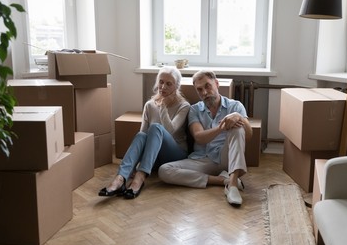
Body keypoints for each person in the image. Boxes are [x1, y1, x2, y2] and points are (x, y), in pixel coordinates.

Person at [158, 70, 252, 206]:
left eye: (208, 86)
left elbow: (248, 135)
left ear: (217, 84)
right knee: (164, 171)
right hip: (203, 159)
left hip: (227, 157)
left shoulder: (235, 106)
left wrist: (239, 117)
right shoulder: (194, 110)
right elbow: (199, 137)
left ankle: (232, 186)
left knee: (238, 126)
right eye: (199, 90)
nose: (204, 92)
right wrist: (221, 128)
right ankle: (223, 180)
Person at [99, 66, 190, 199]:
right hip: (153, 158)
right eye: (161, 81)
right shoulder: (149, 105)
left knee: (156, 128)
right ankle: (120, 178)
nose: (163, 87)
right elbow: (142, 136)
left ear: (176, 86)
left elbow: (170, 130)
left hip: (174, 155)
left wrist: (163, 106)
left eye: (169, 84)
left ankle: (140, 177)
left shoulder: (184, 106)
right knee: (142, 135)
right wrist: (136, 163)